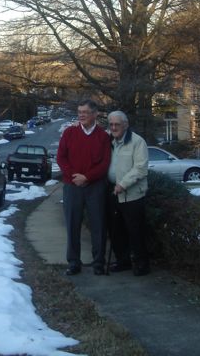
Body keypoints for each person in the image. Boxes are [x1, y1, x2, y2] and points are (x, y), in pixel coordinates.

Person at [56, 99, 112, 276]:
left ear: (95, 114)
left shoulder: (103, 137)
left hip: (95, 187)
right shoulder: (69, 133)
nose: (81, 115)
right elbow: (61, 158)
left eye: (85, 112)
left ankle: (98, 263)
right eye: (79, 112)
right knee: (72, 225)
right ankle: (74, 262)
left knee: (98, 226)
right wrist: (75, 176)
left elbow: (105, 163)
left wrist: (87, 177)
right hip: (72, 186)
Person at [106, 110, 150, 276]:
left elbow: (140, 168)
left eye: (117, 124)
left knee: (135, 231)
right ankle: (123, 261)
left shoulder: (137, 142)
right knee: (116, 231)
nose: (113, 127)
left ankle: (142, 265)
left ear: (125, 125)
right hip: (113, 192)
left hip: (132, 195)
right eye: (111, 124)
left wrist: (123, 184)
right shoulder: (109, 141)